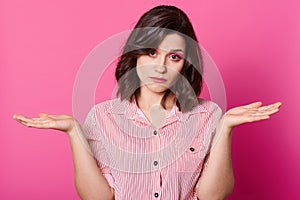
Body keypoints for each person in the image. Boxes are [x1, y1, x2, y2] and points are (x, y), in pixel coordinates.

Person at [13, 5, 281, 200]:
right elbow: (99, 198)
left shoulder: (208, 115)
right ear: (136, 54)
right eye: (152, 52)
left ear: (186, 64)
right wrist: (73, 131)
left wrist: (225, 128)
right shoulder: (103, 117)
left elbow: (213, 196)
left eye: (174, 57)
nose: (161, 66)